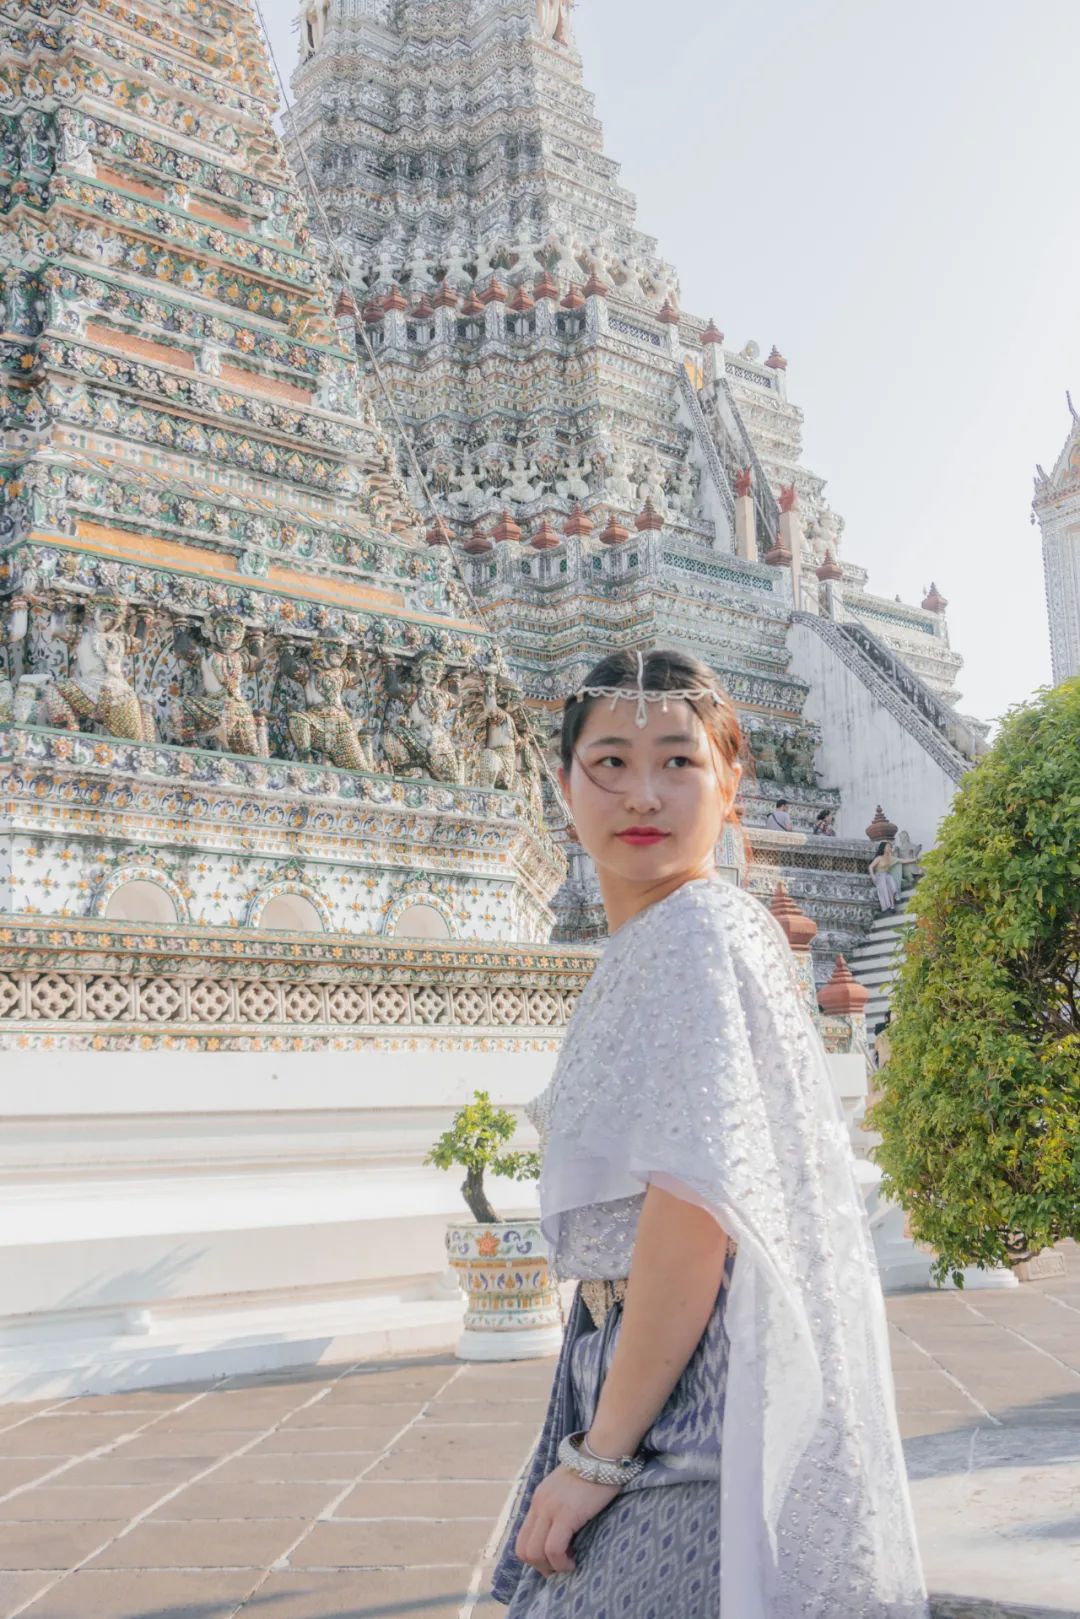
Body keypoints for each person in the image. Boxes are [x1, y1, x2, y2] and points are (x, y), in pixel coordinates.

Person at [492, 648, 927, 1619]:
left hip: (694, 1397)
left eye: (678, 760)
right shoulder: (664, 937)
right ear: (562, 785)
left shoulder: (695, 932)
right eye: (609, 760)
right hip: (638, 1368)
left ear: (731, 781)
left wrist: (601, 1453)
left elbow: (692, 1211)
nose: (641, 790)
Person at [869, 839, 900, 913]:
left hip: (887, 875)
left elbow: (902, 860)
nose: (890, 848)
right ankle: (888, 907)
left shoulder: (890, 858)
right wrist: (873, 876)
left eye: (890, 847)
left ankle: (892, 906)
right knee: (884, 890)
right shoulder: (879, 858)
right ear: (883, 848)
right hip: (880, 876)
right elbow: (870, 867)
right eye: (888, 847)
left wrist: (915, 859)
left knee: (893, 888)